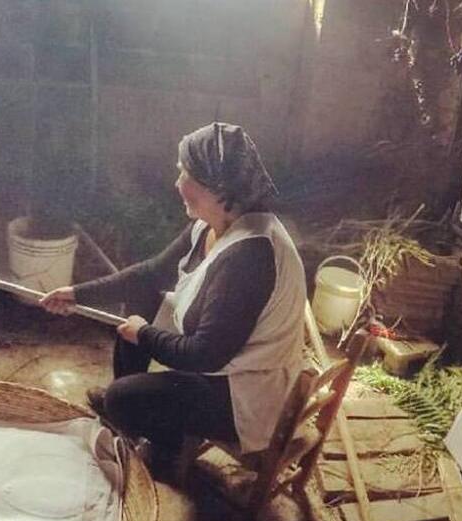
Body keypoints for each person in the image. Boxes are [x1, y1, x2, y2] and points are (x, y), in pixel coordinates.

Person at [40, 122, 306, 481]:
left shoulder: (248, 257)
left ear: (218, 188)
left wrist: (144, 334)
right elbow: (150, 273)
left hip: (245, 391)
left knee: (120, 399)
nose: (177, 183)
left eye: (185, 174)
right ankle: (136, 402)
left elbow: (204, 355)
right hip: (225, 354)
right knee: (142, 294)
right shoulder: (216, 223)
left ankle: (163, 446)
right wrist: (76, 294)